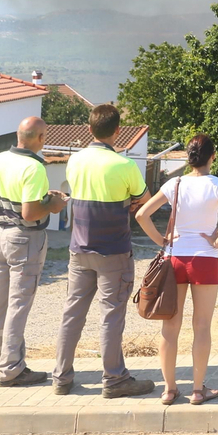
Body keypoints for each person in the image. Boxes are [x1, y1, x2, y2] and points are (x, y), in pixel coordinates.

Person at [51, 103, 155, 397]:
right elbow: (144, 203)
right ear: (118, 132)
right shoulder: (125, 166)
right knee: (110, 316)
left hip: (79, 249)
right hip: (114, 251)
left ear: (89, 129)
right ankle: (114, 379)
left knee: (72, 314)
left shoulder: (75, 161)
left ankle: (61, 377)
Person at [135, 134, 218, 404]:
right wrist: (217, 242)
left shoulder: (175, 183)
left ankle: (169, 390)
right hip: (205, 259)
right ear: (212, 157)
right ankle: (197, 390)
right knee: (202, 326)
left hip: (175, 259)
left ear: (189, 157)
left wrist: (161, 239)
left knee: (170, 326)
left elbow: (141, 214)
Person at [0, 116, 68, 386]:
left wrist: (44, 198)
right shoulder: (34, 167)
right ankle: (11, 368)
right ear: (40, 138)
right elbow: (30, 213)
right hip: (25, 238)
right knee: (18, 304)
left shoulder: (0, 159)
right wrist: (54, 205)